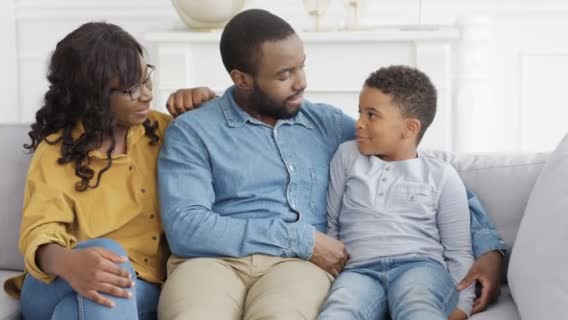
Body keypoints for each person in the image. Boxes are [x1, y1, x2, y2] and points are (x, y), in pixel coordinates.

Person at [158, 9, 504, 320]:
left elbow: (419, 170)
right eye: (284, 75)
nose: (301, 82)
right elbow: (187, 227)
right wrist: (301, 238)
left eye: (301, 65)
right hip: (210, 262)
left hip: (297, 268)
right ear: (242, 79)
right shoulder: (194, 129)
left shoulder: (327, 125)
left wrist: (488, 248)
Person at [2, 22, 172, 320]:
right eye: (131, 88)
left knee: (87, 301)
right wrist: (70, 263)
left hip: (140, 288)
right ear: (93, 96)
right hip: (56, 281)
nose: (146, 95)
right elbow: (39, 231)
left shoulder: (163, 130)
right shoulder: (57, 152)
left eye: (147, 79)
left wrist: (202, 101)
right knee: (109, 256)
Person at [318, 65, 473, 320]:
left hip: (421, 268)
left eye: (371, 115)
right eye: (360, 112)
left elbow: (459, 251)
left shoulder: (441, 175)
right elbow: (332, 225)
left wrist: (463, 307)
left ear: (409, 128)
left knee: (418, 305)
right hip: (359, 271)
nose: (359, 123)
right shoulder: (347, 156)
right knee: (339, 310)